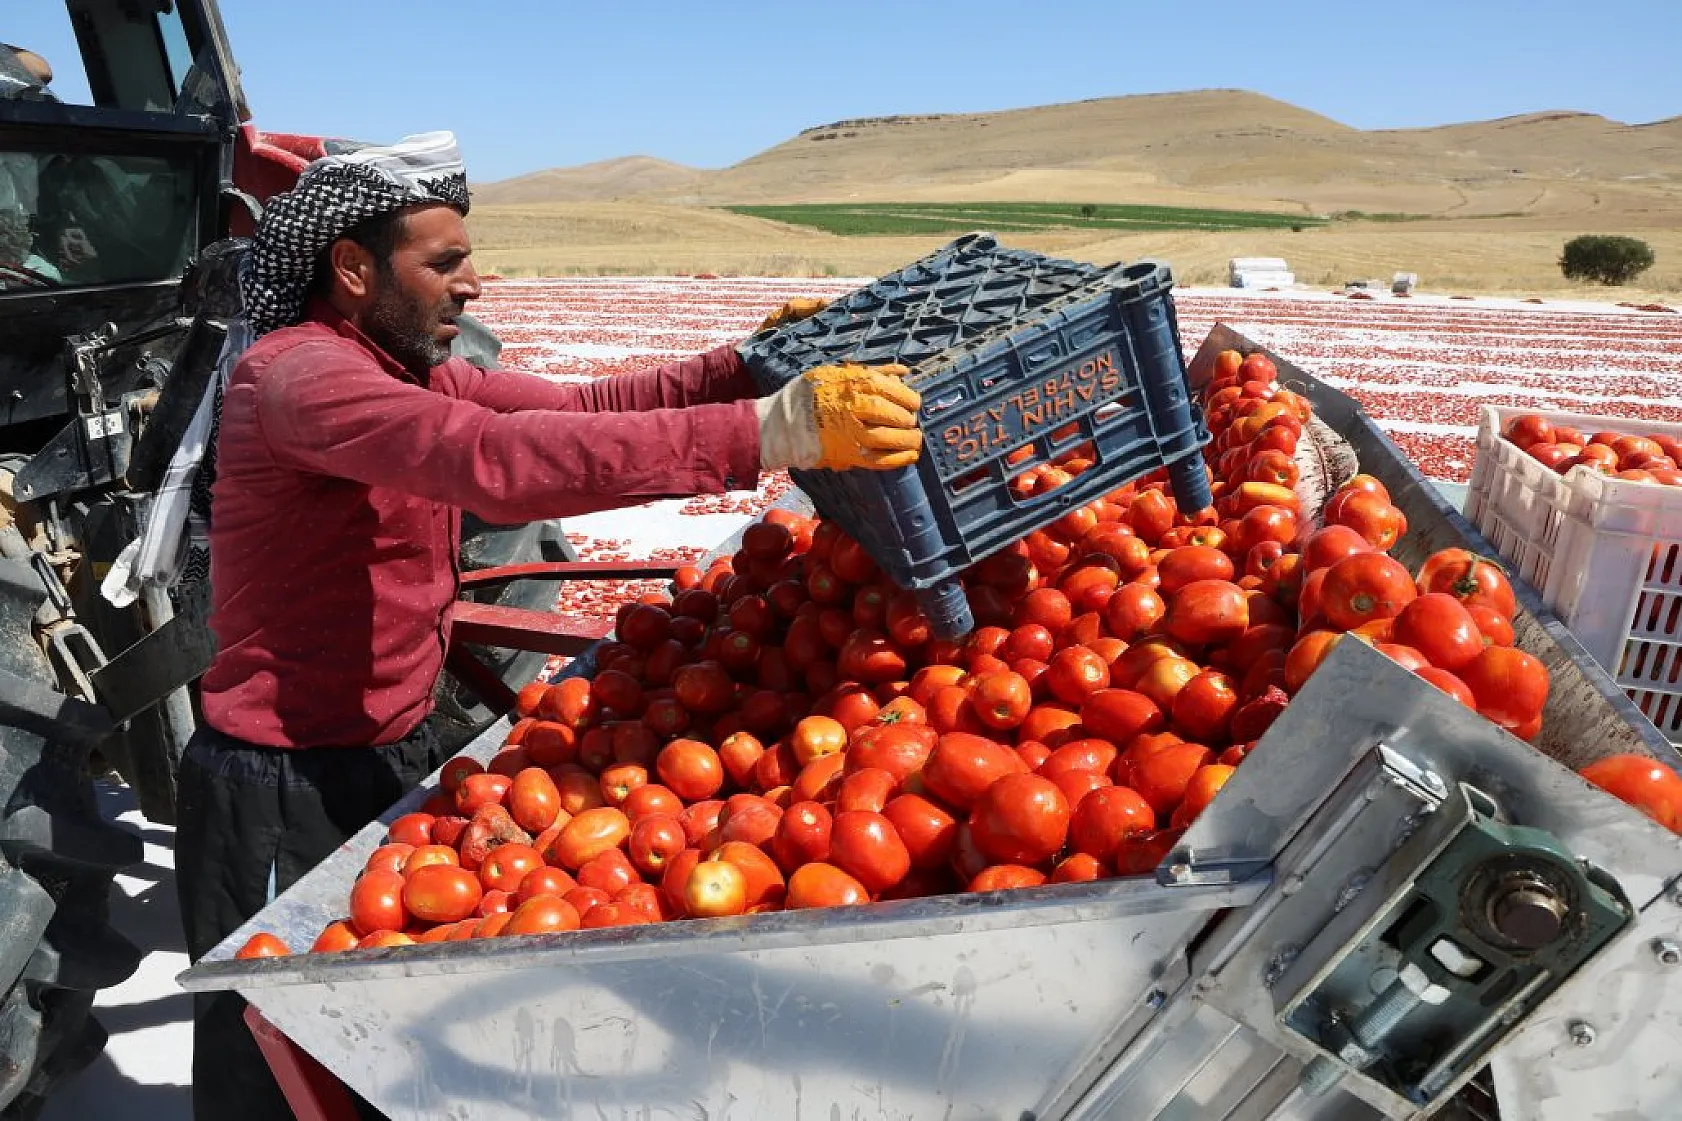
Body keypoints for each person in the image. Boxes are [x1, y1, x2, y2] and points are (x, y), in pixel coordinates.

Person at [172, 130, 921, 1121]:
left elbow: (578, 407)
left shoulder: (406, 369)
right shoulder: (302, 378)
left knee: (373, 1052)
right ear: (352, 269)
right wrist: (763, 433)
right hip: (279, 779)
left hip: (385, 748)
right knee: (266, 1061)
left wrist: (740, 367)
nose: (471, 283)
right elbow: (489, 459)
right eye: (442, 262)